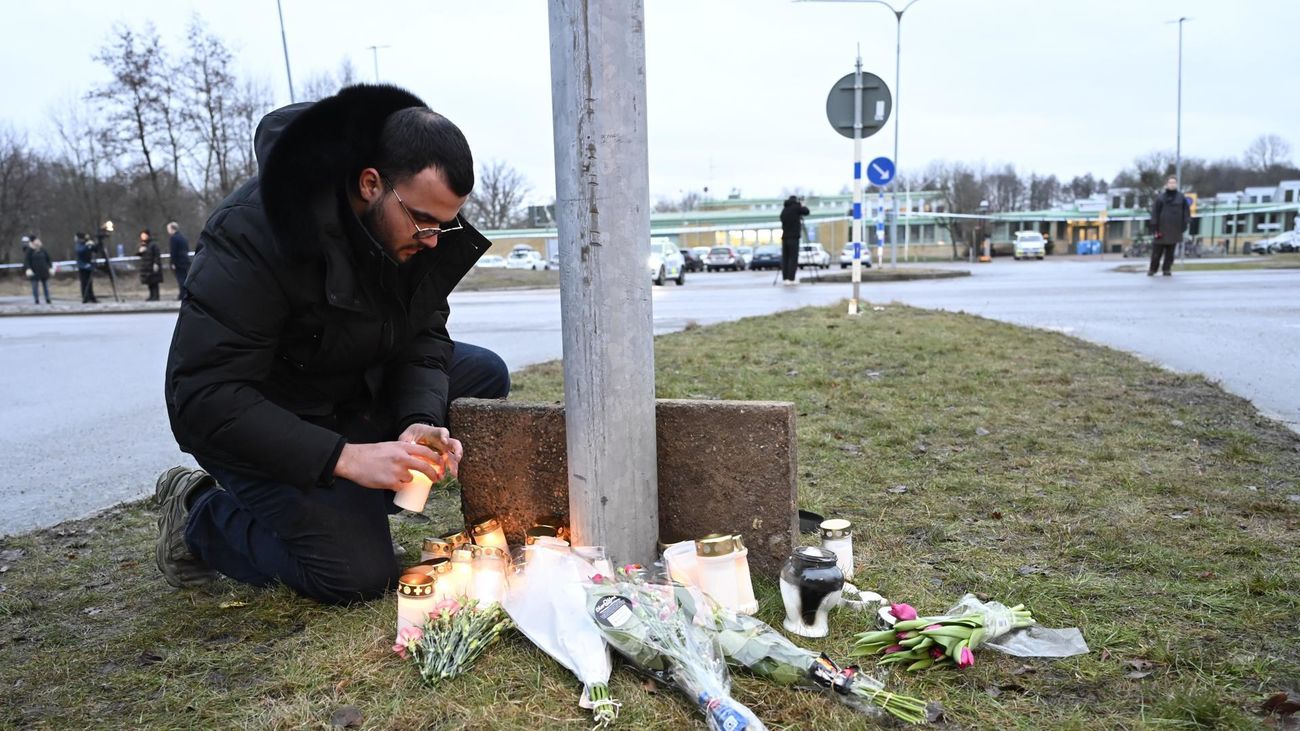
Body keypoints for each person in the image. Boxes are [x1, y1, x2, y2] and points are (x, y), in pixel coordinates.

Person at [156, 84, 509, 605]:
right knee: (356, 575)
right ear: (371, 184)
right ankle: (200, 511)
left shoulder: (414, 229)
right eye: (424, 221)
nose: (434, 239)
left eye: (446, 222)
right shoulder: (255, 231)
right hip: (266, 418)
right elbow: (204, 398)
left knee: (481, 376)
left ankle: (351, 500)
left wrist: (419, 417)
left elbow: (425, 336)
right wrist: (344, 458)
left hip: (345, 389)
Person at [1149, 175, 1188, 277]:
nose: (1172, 184)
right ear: (1166, 184)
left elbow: (1186, 212)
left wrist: (1185, 224)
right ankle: (1153, 269)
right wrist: (1154, 226)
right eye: (1170, 182)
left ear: (1176, 184)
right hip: (1161, 229)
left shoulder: (1181, 197)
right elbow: (1155, 213)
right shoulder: (1160, 198)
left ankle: (1167, 269)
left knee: (1170, 253)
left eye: (1174, 183)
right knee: (1157, 252)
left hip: (1175, 230)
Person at [779, 195, 810, 285]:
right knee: (793, 258)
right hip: (794, 237)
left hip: (785, 237)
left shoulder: (784, 210)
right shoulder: (796, 208)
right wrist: (802, 205)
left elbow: (781, 219)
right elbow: (806, 212)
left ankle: (785, 278)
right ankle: (791, 278)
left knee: (785, 258)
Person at [23, 237, 53, 304]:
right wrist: (28, 269)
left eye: (38, 240)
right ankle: (36, 299)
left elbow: (48, 259)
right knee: (35, 286)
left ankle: (47, 298)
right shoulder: (29, 251)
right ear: (33, 242)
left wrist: (50, 267)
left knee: (46, 286)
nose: (38, 241)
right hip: (34, 271)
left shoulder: (43, 250)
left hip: (44, 270)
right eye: (36, 240)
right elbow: (26, 261)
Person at [167, 222, 191, 299]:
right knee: (185, 277)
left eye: (168, 229)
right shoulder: (183, 237)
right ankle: (186, 293)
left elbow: (173, 251)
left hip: (178, 261)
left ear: (172, 229)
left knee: (180, 278)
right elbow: (187, 249)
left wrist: (172, 262)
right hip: (185, 260)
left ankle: (182, 294)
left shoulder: (173, 238)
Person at [137, 229, 163, 300]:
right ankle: (151, 296)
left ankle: (156, 296)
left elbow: (157, 255)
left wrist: (156, 263)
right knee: (149, 283)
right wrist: (140, 252)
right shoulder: (143, 244)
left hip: (152, 266)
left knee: (154, 282)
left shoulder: (153, 244)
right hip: (146, 267)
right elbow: (139, 255)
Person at [74, 232, 99, 303]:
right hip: (82, 266)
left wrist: (95, 244)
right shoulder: (79, 245)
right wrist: (87, 245)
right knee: (84, 282)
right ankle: (85, 297)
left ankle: (91, 296)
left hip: (88, 266)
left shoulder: (87, 243)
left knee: (89, 282)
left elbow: (95, 250)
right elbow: (80, 251)